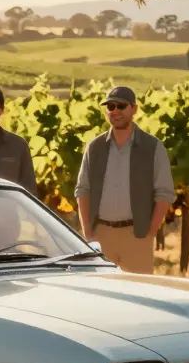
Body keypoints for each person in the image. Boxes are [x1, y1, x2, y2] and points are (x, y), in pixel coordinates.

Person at [74, 85, 174, 274]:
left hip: (136, 235)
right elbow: (83, 189)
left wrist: (150, 232)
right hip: (101, 235)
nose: (115, 111)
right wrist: (88, 231)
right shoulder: (94, 147)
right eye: (111, 107)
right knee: (102, 296)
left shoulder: (152, 147)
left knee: (140, 295)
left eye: (121, 106)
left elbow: (164, 192)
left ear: (134, 109)